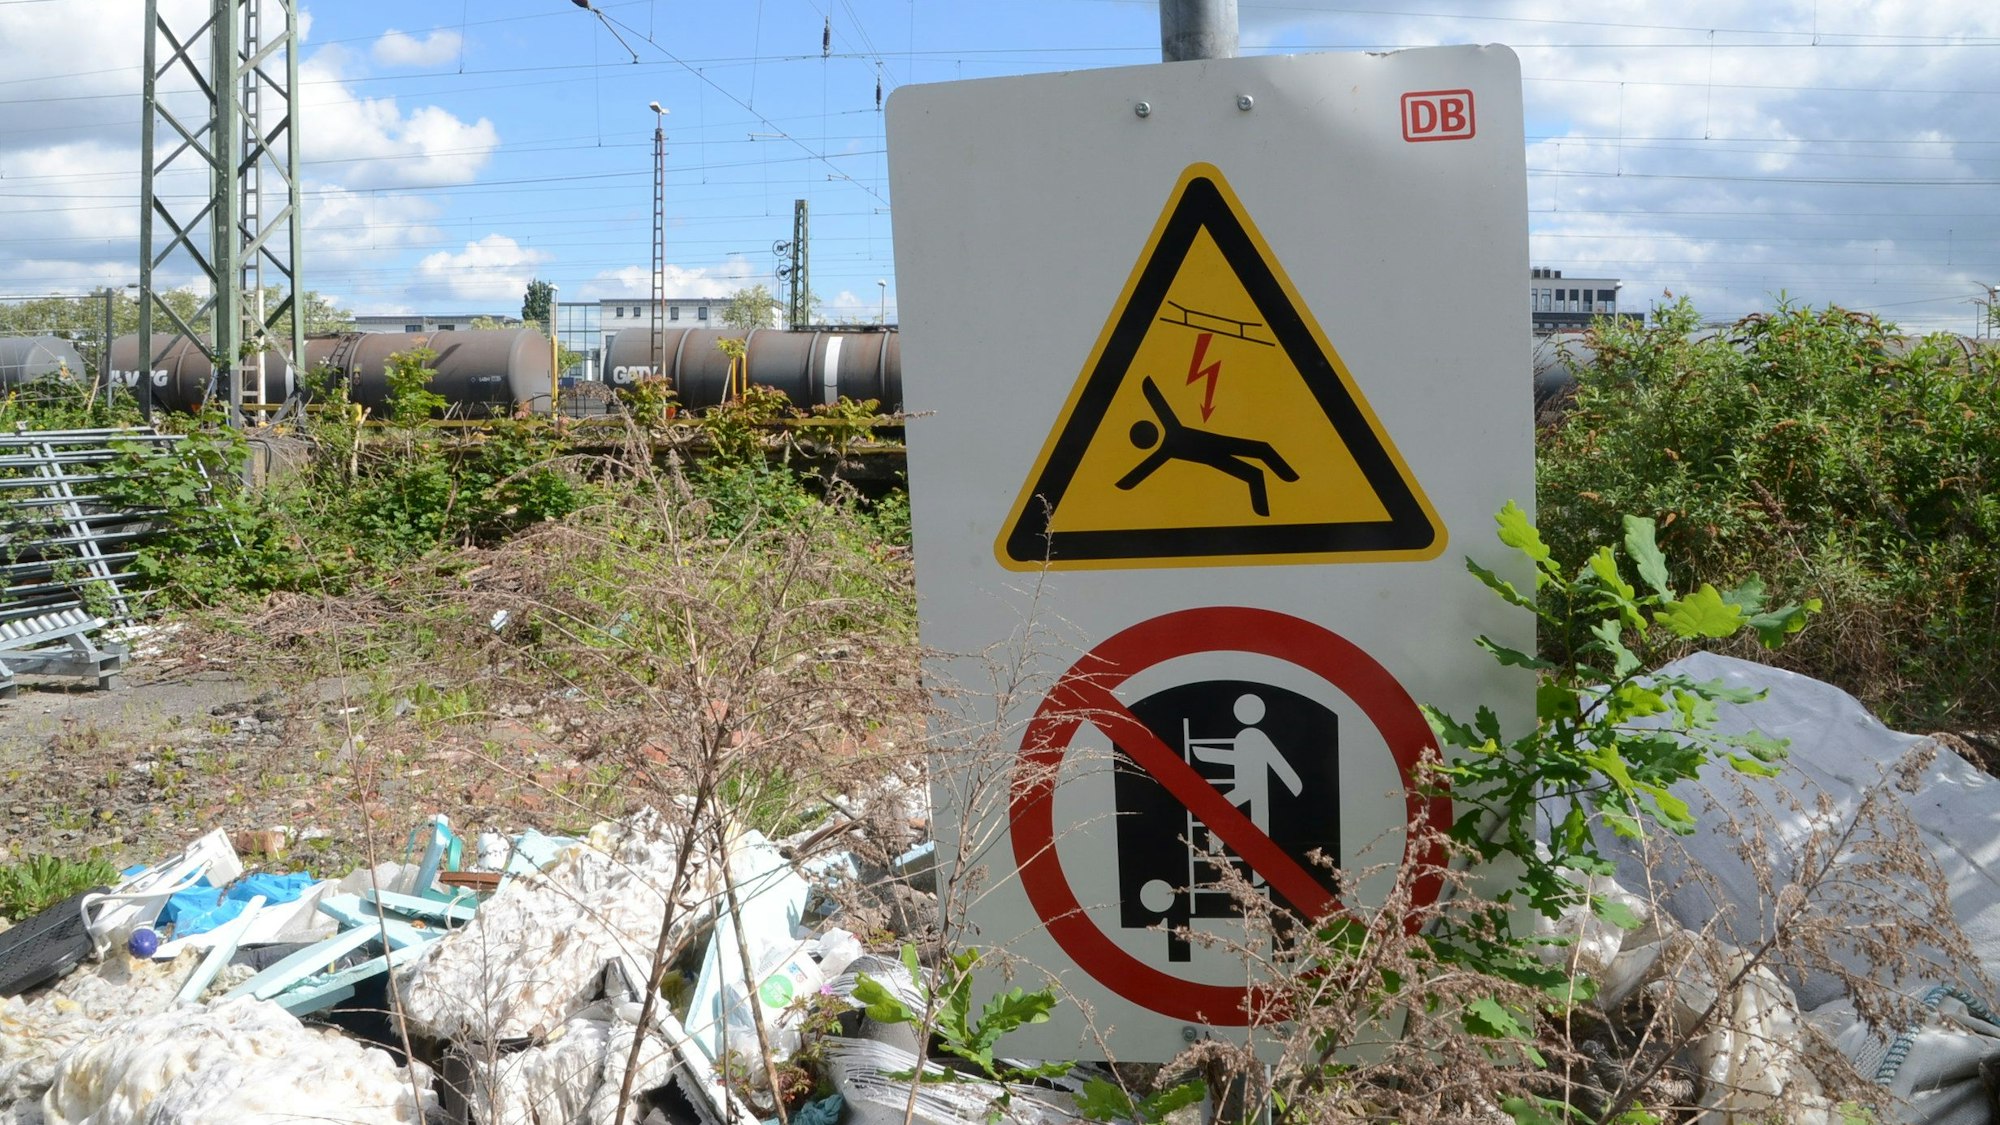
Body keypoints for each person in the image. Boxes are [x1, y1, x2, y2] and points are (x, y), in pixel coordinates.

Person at [1116, 377, 1298, 517]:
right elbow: (1140, 472)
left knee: (1259, 458)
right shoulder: (1168, 442)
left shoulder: (1169, 434)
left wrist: (1126, 483)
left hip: (1218, 445)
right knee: (1254, 471)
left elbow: (1153, 396)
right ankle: (1265, 515)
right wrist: (1125, 483)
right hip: (1214, 456)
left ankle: (1291, 481)